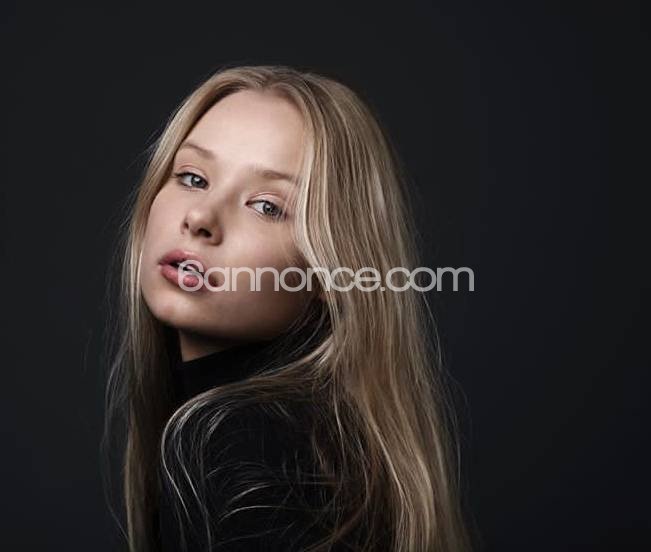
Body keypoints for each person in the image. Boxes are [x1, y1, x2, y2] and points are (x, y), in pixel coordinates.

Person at [103, 64, 471, 551]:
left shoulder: (237, 441)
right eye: (192, 177)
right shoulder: (325, 444)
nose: (201, 217)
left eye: (267, 206)